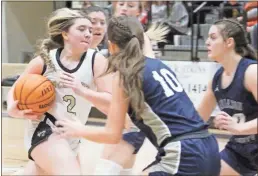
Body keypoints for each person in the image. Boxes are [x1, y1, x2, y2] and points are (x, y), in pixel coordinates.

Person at [55, 16, 221, 176]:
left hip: (183, 153)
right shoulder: (157, 64)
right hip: (209, 146)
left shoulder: (126, 76)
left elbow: (112, 135)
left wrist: (78, 130)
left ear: (111, 47)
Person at [7, 8, 113, 175]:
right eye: (82, 29)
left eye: (90, 30)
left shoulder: (96, 60)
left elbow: (110, 103)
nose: (88, 34)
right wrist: (13, 109)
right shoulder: (45, 60)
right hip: (45, 129)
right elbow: (16, 89)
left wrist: (82, 90)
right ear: (65, 34)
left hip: (73, 135)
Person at [198, 18, 258, 176]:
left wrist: (239, 128)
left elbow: (238, 127)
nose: (207, 42)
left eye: (213, 37)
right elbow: (197, 119)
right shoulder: (217, 79)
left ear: (229, 42)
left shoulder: (251, 72)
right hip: (240, 152)